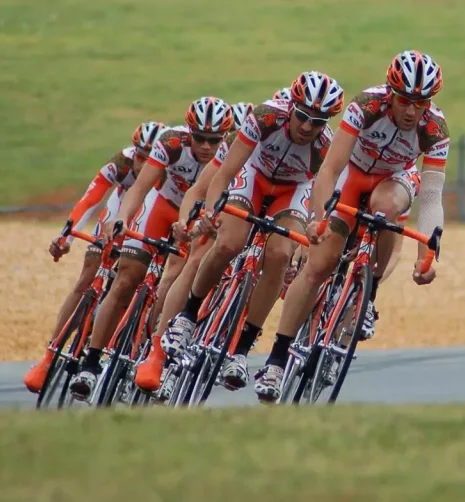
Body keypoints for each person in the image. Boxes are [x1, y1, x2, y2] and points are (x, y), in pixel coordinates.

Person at [136, 73, 344, 402]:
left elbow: (320, 194)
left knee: (277, 255)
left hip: (292, 190)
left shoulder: (325, 146)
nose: (307, 127)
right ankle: (188, 316)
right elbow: (224, 174)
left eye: (318, 122)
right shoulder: (263, 118)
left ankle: (242, 350)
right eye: (303, 116)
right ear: (291, 108)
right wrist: (210, 213)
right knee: (229, 243)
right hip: (253, 176)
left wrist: (315, 229)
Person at [265, 51, 449, 401]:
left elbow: (430, 199)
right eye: (405, 100)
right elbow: (330, 169)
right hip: (352, 172)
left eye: (421, 102)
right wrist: (318, 221)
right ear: (391, 94)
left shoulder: (435, 129)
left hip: (394, 179)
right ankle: (276, 359)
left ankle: (368, 290)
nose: (412, 111)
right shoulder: (366, 105)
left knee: (384, 208)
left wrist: (426, 256)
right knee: (319, 265)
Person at [67, 97, 236, 400]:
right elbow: (139, 189)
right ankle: (91, 363)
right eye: (199, 138)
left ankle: (155, 345)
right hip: (161, 208)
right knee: (126, 279)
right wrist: (121, 218)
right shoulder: (171, 143)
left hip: (200, 217)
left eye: (214, 140)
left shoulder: (233, 154)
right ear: (189, 132)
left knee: (180, 273)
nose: (206, 146)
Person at [22, 121, 165, 394]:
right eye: (141, 157)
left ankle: (127, 352)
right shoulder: (122, 162)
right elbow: (91, 198)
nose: (144, 165)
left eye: (151, 159)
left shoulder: (172, 170)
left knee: (139, 280)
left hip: (153, 213)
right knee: (89, 274)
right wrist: (67, 237)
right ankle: (49, 356)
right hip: (121, 210)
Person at [131, 101, 254, 397]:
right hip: (208, 208)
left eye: (217, 139)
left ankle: (232, 343)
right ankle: (157, 346)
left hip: (245, 210)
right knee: (190, 260)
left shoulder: (272, 154)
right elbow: (199, 192)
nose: (208, 145)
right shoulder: (228, 150)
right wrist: (189, 223)